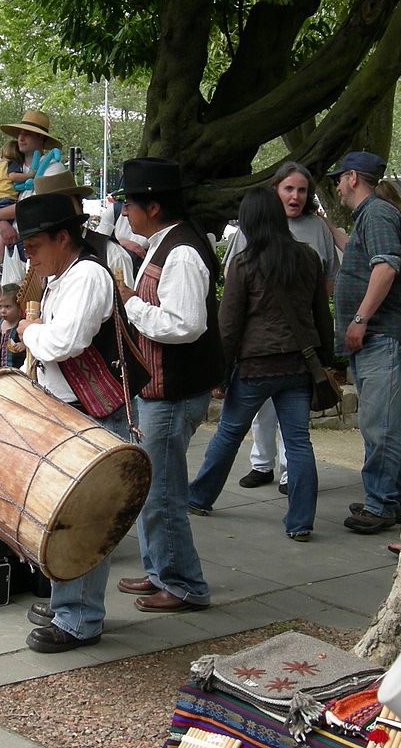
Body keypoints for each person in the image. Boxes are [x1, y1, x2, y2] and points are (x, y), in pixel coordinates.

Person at [13, 192, 144, 651]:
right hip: (67, 412)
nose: (29, 257)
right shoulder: (60, 276)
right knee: (60, 512)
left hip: (93, 414)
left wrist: (28, 332)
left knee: (86, 518)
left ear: (63, 237)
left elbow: (65, 342)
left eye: (34, 246)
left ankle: (80, 618)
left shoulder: (87, 275)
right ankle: (69, 600)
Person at [187, 187, 333, 540]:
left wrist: (219, 374)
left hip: (255, 367)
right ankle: (300, 521)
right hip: (299, 365)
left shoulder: (244, 262)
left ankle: (200, 496)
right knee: (298, 442)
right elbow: (320, 316)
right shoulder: (308, 257)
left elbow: (229, 325)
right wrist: (326, 361)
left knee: (229, 433)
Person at [115, 157, 222, 613]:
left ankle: (184, 585)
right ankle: (161, 569)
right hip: (162, 387)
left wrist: (131, 303)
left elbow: (185, 325)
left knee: (160, 492)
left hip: (174, 390)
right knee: (153, 488)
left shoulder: (181, 252)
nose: (125, 214)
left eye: (130, 205)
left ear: (153, 207)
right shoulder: (166, 245)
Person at [224, 161, 341, 495]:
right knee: (261, 409)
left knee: (295, 419)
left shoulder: (316, 229)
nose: (295, 196)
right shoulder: (252, 230)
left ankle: (291, 473)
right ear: (275, 191)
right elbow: (234, 279)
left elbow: (327, 280)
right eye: (289, 189)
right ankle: (262, 463)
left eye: (302, 190)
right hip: (258, 340)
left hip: (299, 338)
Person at [327, 151, 401, 534]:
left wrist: (360, 319)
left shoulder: (378, 213)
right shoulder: (372, 215)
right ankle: (390, 498)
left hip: (383, 337)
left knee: (381, 426)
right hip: (377, 340)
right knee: (378, 425)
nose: (335, 186)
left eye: (338, 179)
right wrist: (328, 227)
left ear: (352, 178)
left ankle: (380, 504)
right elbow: (363, 253)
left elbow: (385, 266)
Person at [0, 110, 65, 259]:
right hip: (3, 244)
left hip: (36, 246)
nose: (21, 137)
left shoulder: (53, 167)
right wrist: (1, 224)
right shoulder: (7, 166)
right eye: (19, 133)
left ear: (40, 137)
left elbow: (35, 205)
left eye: (27, 133)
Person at [33, 171, 134, 282]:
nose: (58, 213)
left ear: (80, 206)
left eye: (65, 204)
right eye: (49, 209)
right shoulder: (36, 256)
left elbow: (124, 297)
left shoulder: (111, 253)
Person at [0, 283, 25, 369]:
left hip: (18, 370)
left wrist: (25, 345)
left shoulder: (22, 325)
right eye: (0, 306)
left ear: (19, 306)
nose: (3, 311)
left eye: (7, 307)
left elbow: (33, 342)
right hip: (0, 368)